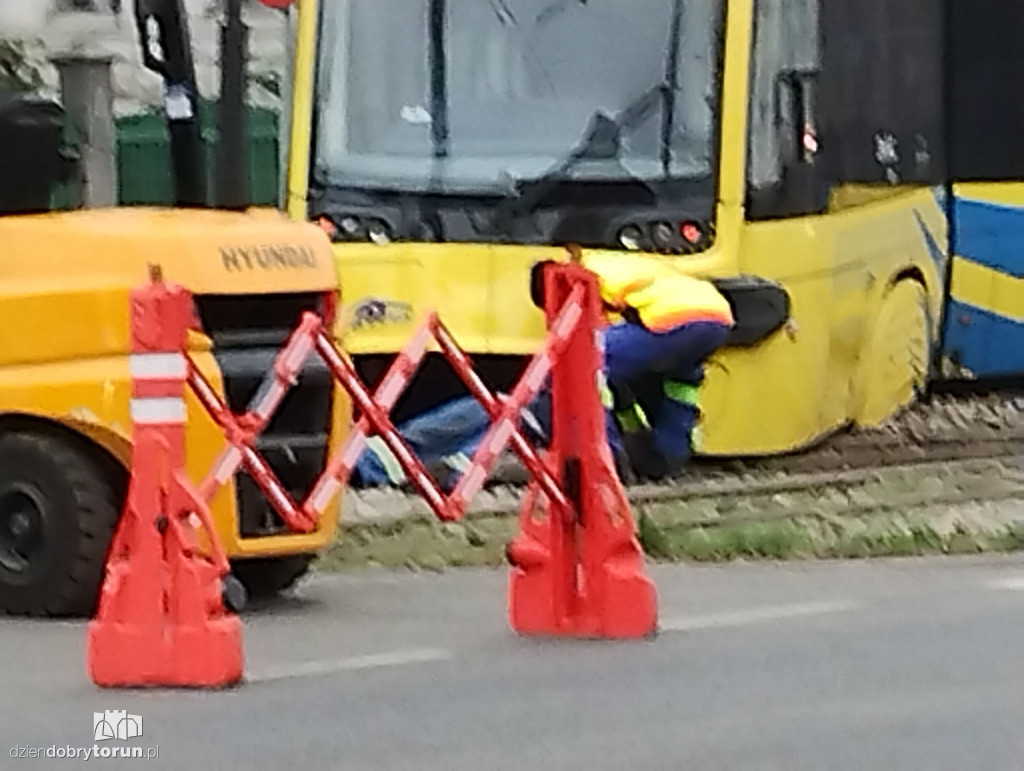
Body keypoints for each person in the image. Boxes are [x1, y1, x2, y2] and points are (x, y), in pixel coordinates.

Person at [352, 249, 734, 487]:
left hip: (674, 318)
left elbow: (588, 353)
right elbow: (639, 386)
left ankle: (603, 453)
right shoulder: (633, 268)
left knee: (582, 366)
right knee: (673, 384)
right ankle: (666, 451)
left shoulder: (582, 273)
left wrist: (608, 444)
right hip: (716, 317)